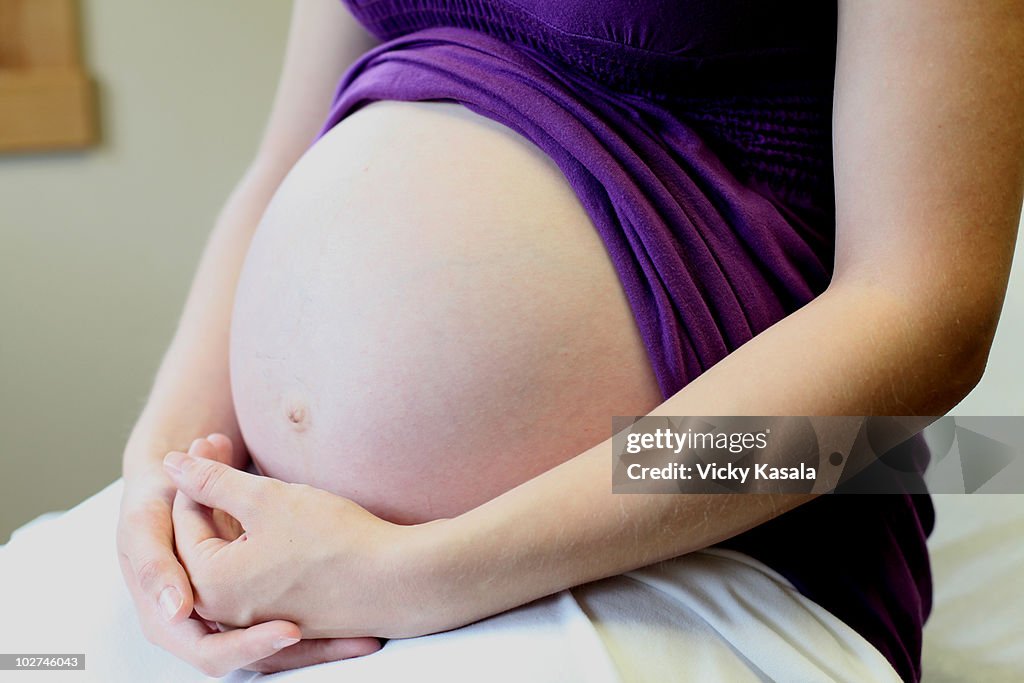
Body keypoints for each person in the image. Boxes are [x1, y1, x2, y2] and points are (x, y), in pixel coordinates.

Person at [53, 0, 1024, 680]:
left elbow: (923, 316)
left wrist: (426, 571)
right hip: (286, 540)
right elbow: (279, 159)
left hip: (686, 551)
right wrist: (158, 470)